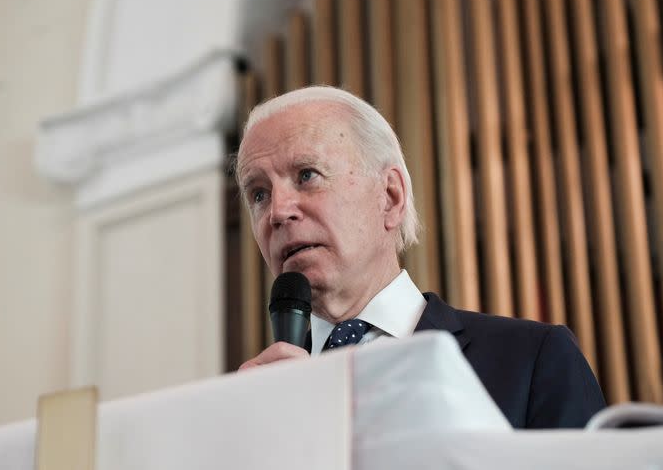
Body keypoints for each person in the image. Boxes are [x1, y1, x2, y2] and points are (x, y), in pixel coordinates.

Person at [234, 85, 606, 428]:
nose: (278, 212)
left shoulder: (530, 361)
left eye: (307, 175)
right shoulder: (252, 401)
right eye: (259, 194)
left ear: (390, 197)